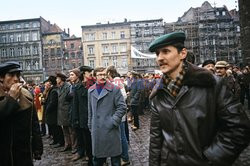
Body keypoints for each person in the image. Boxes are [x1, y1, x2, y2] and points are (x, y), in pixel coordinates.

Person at [148, 32, 250, 166]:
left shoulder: (212, 84)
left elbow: (239, 128)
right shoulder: (158, 93)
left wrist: (212, 158)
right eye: (157, 53)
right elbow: (156, 140)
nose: (160, 58)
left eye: (166, 51)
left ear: (182, 53)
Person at [0, 61, 43, 165]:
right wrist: (11, 99)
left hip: (23, 154)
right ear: (1, 77)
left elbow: (34, 124)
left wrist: (37, 146)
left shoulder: (26, 95)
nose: (16, 79)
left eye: (18, 75)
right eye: (11, 75)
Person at [88, 67, 126, 166]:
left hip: (111, 129)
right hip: (97, 130)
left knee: (115, 160)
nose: (102, 76)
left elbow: (122, 107)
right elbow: (90, 110)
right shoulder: (91, 90)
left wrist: (113, 121)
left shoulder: (114, 89)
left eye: (104, 74)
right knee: (97, 160)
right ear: (95, 76)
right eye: (100, 74)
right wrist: (90, 125)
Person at [56, 72, 72, 151]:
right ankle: (67, 144)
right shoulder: (60, 87)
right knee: (65, 130)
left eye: (57, 78)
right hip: (62, 112)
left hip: (67, 111)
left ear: (61, 79)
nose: (56, 80)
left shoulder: (68, 86)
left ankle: (72, 146)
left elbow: (69, 100)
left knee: (71, 131)